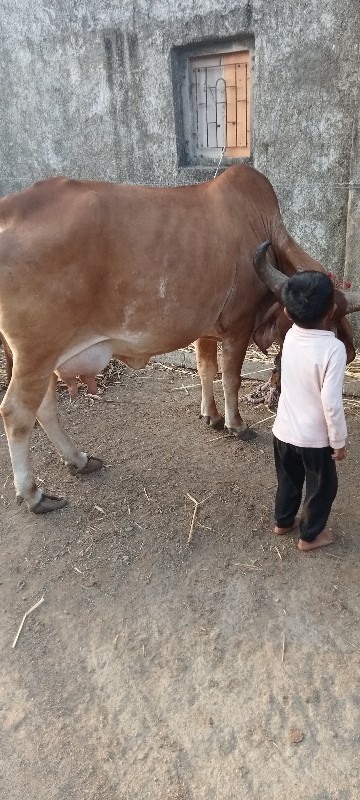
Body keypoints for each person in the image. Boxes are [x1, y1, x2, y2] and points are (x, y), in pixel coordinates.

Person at [272, 270, 347, 552]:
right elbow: (331, 401)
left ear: (288, 313)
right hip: (316, 441)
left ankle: (283, 522)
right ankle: (310, 536)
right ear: (332, 310)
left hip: (283, 432)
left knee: (288, 480)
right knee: (322, 488)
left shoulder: (290, 336)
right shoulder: (334, 350)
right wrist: (338, 442)